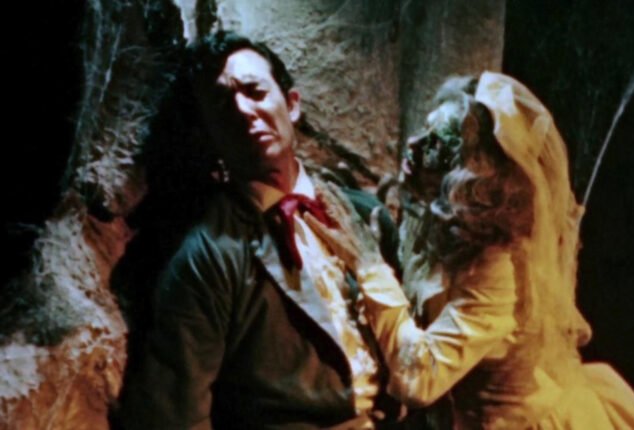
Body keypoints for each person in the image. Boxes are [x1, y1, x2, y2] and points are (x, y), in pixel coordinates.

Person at [114, 31, 430, 429]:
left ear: (292, 105)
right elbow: (173, 415)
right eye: (222, 104)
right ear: (210, 132)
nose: (243, 110)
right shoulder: (208, 257)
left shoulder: (366, 216)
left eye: (255, 92)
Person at [306, 72, 634, 428]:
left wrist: (368, 264)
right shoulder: (443, 220)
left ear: (471, 174)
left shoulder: (497, 262)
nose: (414, 144)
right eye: (425, 128)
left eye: (438, 144)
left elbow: (418, 378)